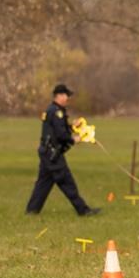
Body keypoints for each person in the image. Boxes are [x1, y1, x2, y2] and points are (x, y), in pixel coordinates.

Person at [25, 84, 100, 216]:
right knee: (67, 182)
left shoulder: (54, 110)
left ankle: (31, 211)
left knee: (43, 184)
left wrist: (72, 126)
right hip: (53, 155)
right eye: (66, 95)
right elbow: (61, 135)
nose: (68, 98)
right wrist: (74, 139)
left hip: (47, 153)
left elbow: (58, 130)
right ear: (59, 96)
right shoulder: (56, 112)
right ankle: (83, 210)